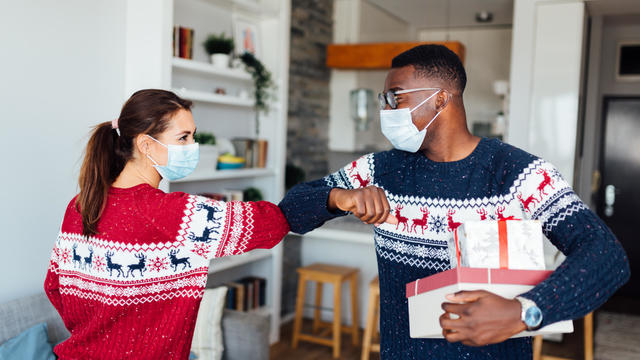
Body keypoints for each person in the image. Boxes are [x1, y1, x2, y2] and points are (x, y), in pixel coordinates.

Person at [278, 45, 630, 359]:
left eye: (395, 97)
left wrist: (526, 311)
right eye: (383, 100)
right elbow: (289, 212)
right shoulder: (378, 169)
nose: (385, 111)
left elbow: (607, 256)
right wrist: (338, 196)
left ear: (441, 99)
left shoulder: (518, 173)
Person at [44, 89, 290, 359]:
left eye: (193, 136)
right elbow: (272, 224)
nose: (192, 146)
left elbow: (54, 286)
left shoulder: (79, 205)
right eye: (183, 138)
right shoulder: (171, 212)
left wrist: (96, 334)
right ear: (145, 144)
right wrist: (329, 196)